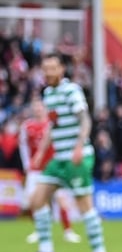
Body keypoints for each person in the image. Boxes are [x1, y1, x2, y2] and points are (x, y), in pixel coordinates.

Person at [23, 53, 110, 252]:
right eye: (45, 68)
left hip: (76, 157)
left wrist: (79, 147)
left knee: (84, 206)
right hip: (58, 159)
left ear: (62, 69)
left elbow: (85, 120)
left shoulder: (71, 90)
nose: (48, 72)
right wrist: (41, 152)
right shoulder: (49, 94)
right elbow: (54, 126)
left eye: (52, 68)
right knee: (36, 200)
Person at [19, 98, 82, 244]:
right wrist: (27, 166)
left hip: (53, 168)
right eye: (35, 107)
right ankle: (39, 231)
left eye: (40, 107)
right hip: (35, 170)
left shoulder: (52, 124)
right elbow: (23, 148)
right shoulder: (27, 126)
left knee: (61, 199)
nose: (38, 109)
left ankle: (68, 231)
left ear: (45, 108)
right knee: (33, 202)